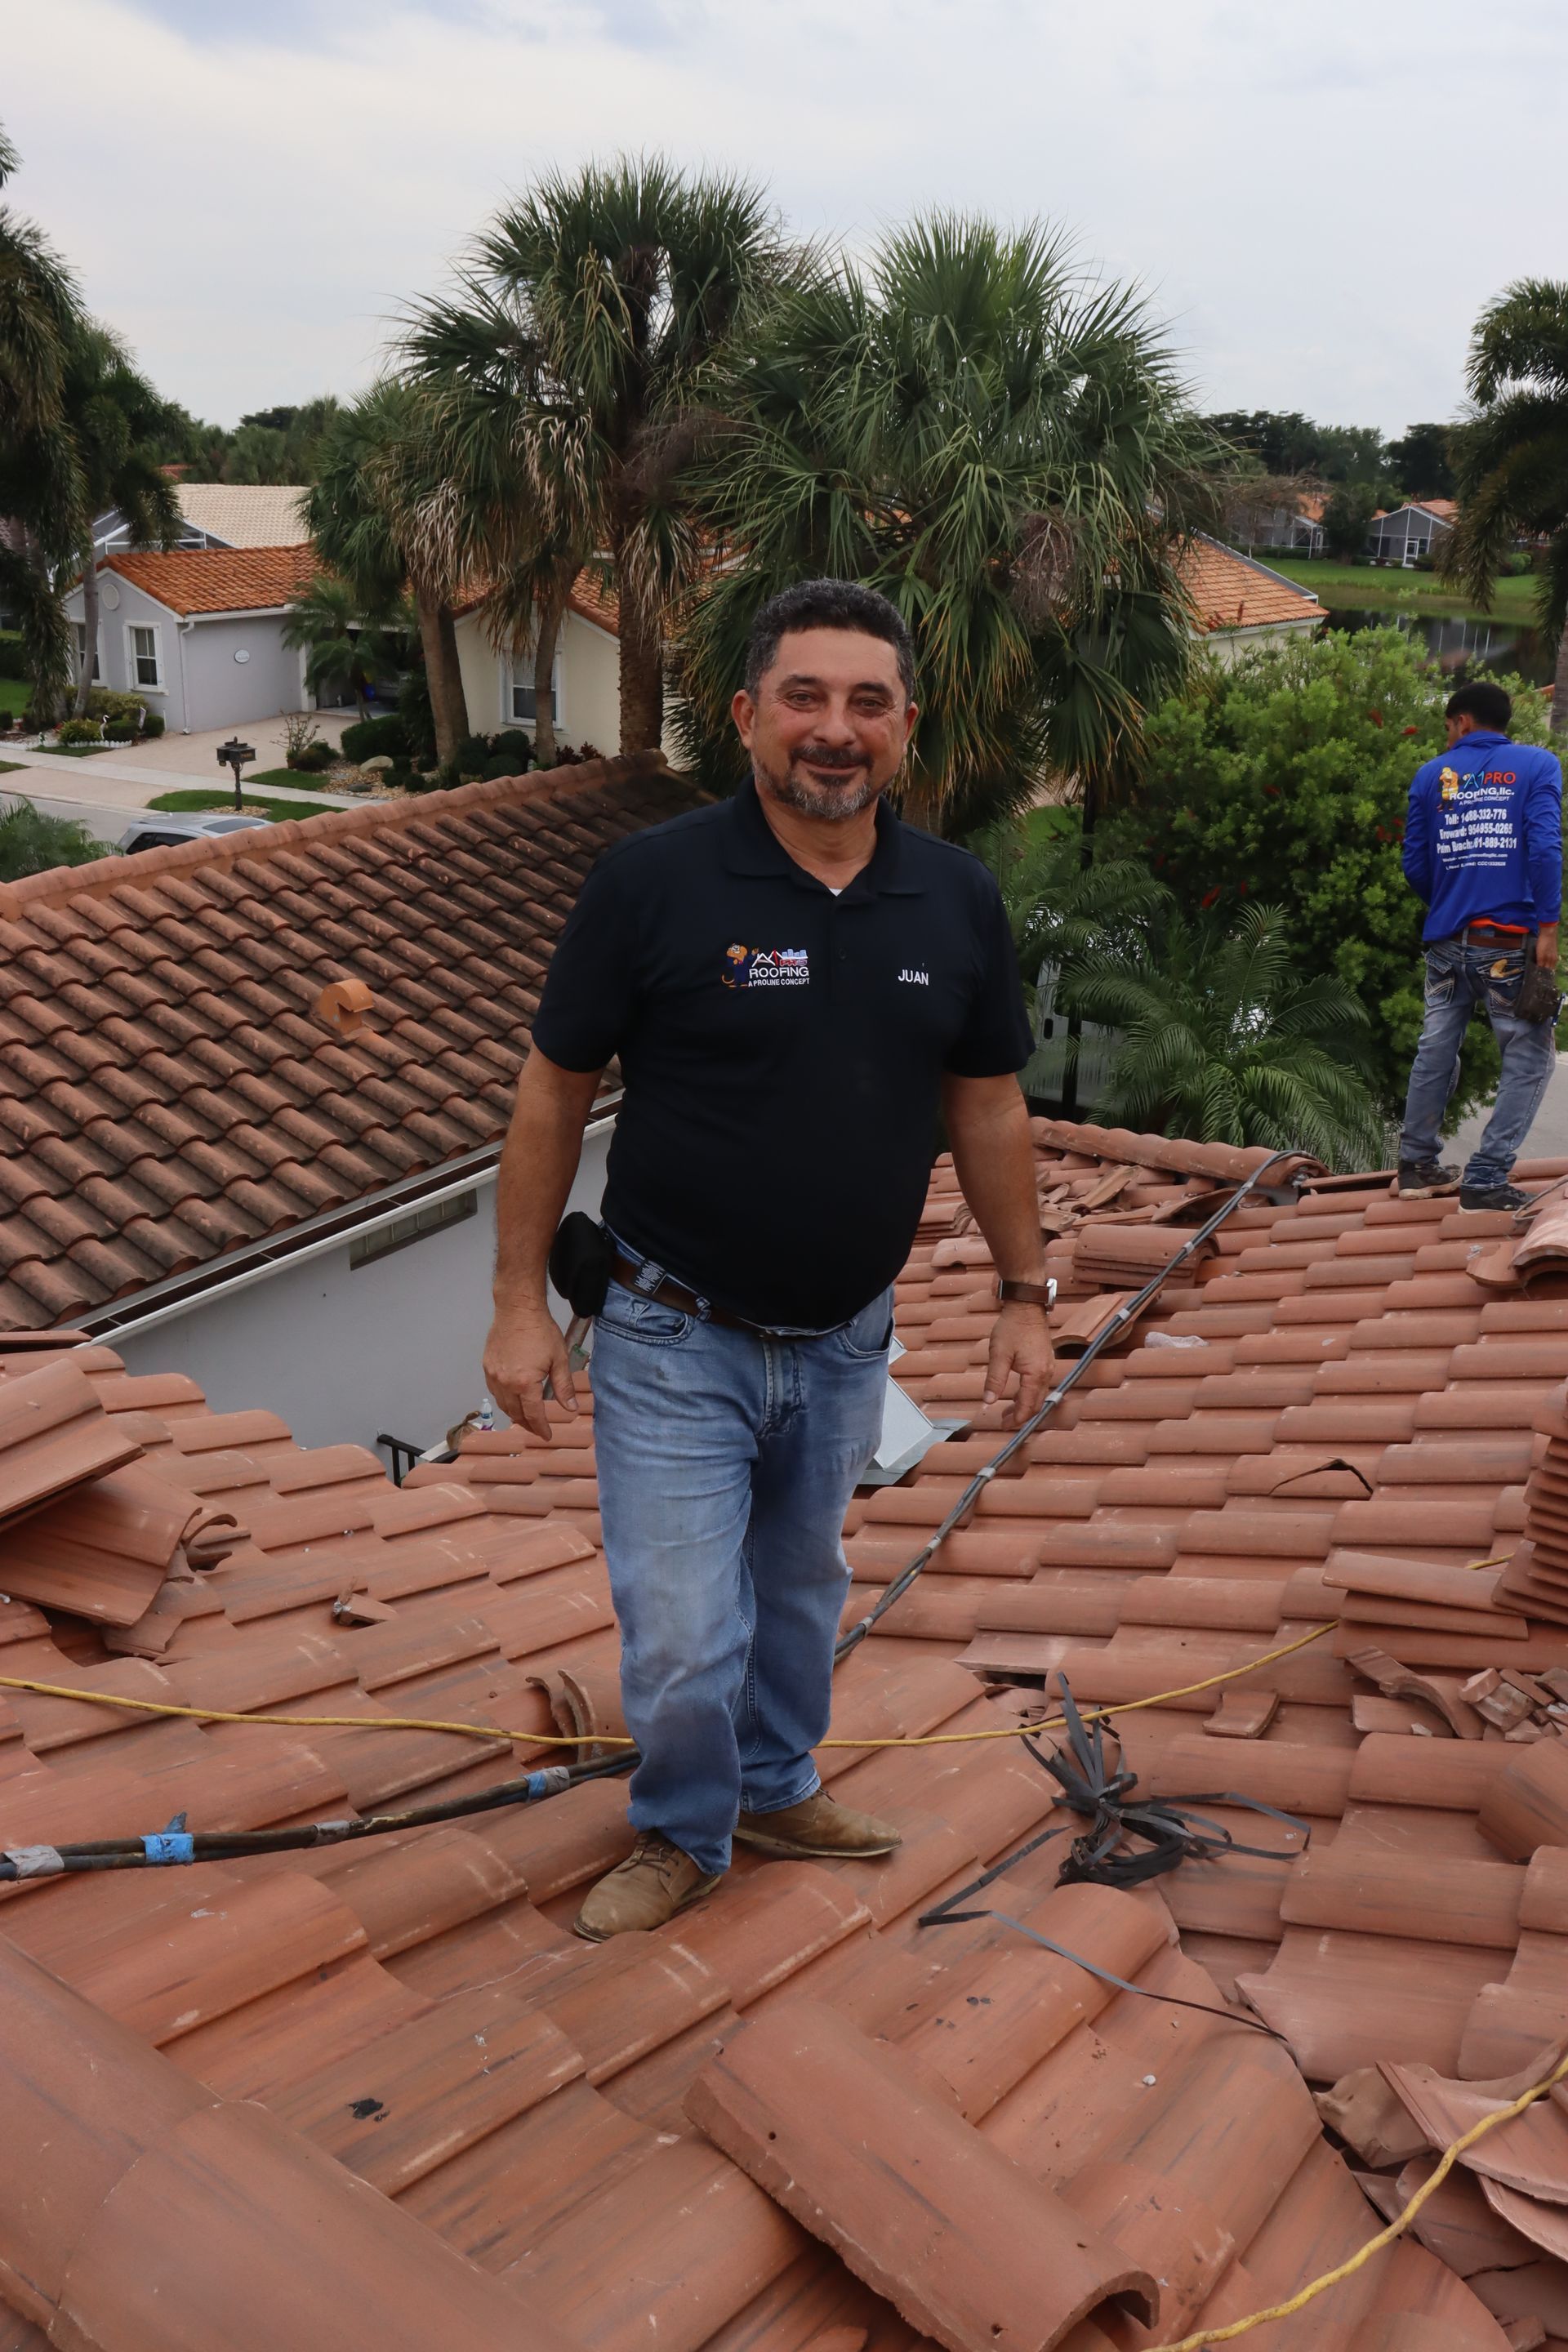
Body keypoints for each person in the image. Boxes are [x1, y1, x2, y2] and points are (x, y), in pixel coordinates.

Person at [483, 577, 1056, 1940]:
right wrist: (515, 1304)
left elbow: (987, 1106)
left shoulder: (955, 900)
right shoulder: (654, 885)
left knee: (801, 1591)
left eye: (868, 702)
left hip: (849, 1332)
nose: (835, 729)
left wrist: (1029, 1295)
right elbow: (552, 1092)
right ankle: (685, 1829)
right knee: (683, 1626)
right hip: (672, 1329)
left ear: (908, 728)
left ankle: (775, 1782)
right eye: (805, 696)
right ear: (747, 716)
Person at [1397, 679, 1563, 1212]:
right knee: (1530, 1059)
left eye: (1447, 727)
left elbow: (1415, 866)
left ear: (1462, 721)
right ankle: (1487, 1178)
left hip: (1446, 942)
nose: (1447, 738)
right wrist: (1549, 927)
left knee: (1436, 1047)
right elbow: (1543, 846)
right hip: (1505, 942)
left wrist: (1450, 902)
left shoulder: (1431, 777)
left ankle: (1416, 1166)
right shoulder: (1538, 767)